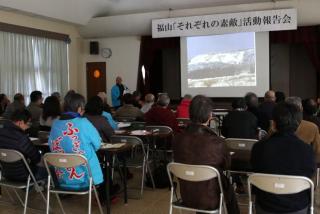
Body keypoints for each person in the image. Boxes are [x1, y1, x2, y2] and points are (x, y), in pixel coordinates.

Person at [173, 95, 239, 214]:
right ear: (210, 116)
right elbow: (227, 166)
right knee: (227, 186)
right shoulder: (217, 142)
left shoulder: (177, 139)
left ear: (189, 113)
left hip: (186, 196)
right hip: (210, 197)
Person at [251, 102, 315, 213]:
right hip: (298, 207)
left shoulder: (259, 147)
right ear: (299, 124)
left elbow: (255, 169)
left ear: (274, 123)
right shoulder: (307, 150)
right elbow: (309, 175)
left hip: (266, 205)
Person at [48, 93, 103, 191]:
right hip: (86, 179)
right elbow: (98, 144)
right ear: (79, 108)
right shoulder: (83, 123)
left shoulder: (55, 124)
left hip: (62, 178)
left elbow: (51, 144)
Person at [0, 109, 47, 181]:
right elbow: (37, 159)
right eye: (28, 123)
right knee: (51, 170)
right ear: (21, 122)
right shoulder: (21, 138)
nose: (28, 127)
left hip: (6, 174)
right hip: (25, 176)